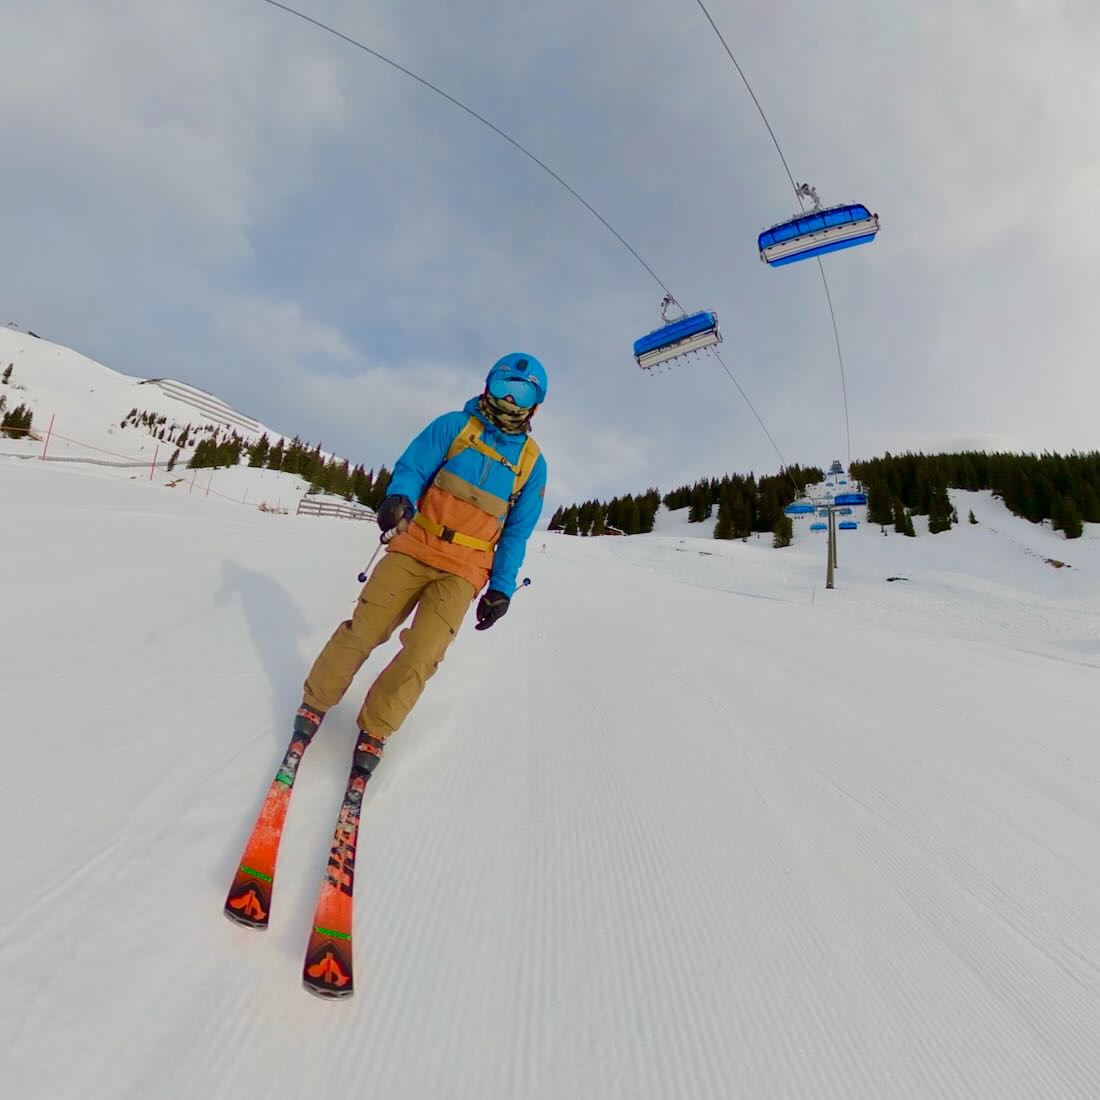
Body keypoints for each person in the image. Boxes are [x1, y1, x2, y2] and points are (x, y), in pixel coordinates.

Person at [290, 353, 548, 775]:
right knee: (365, 629)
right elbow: (412, 468)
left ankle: (376, 728)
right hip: (414, 545)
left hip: (463, 570)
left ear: (535, 404)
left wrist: (501, 587)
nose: (509, 399)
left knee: (423, 654)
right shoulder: (454, 426)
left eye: (522, 393)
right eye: (505, 386)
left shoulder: (532, 464)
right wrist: (400, 498)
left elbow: (516, 532)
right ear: (488, 384)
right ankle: (315, 702)